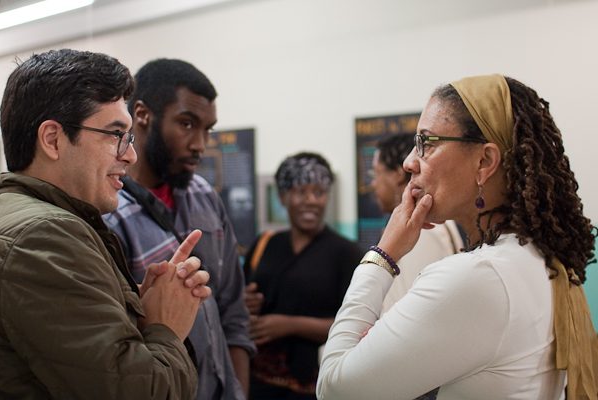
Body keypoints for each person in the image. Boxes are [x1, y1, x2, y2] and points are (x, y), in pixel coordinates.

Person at [317, 74, 598, 399]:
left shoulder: (477, 277)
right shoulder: (536, 257)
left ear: (484, 161)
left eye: (426, 143)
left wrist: (383, 254)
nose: (409, 162)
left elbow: (334, 389)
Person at [0, 49, 212, 398]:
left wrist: (132, 314)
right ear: (53, 139)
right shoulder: (43, 236)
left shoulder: (23, 218)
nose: (130, 154)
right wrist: (165, 326)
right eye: (115, 134)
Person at [103, 58, 254, 400]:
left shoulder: (205, 197)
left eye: (207, 129)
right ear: (142, 114)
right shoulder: (109, 213)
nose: (200, 144)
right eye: (187, 124)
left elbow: (234, 312)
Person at [243, 152, 363, 400]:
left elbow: (356, 327)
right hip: (260, 386)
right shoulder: (265, 244)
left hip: (315, 389)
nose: (310, 201)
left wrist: (289, 325)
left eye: (319, 193)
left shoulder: (346, 253)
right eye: (300, 192)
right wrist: (244, 303)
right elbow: (242, 302)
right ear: (283, 197)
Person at [370, 134, 463, 312]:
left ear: (398, 174)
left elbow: (415, 311)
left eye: (376, 173)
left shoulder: (422, 229)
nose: (373, 184)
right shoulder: (417, 224)